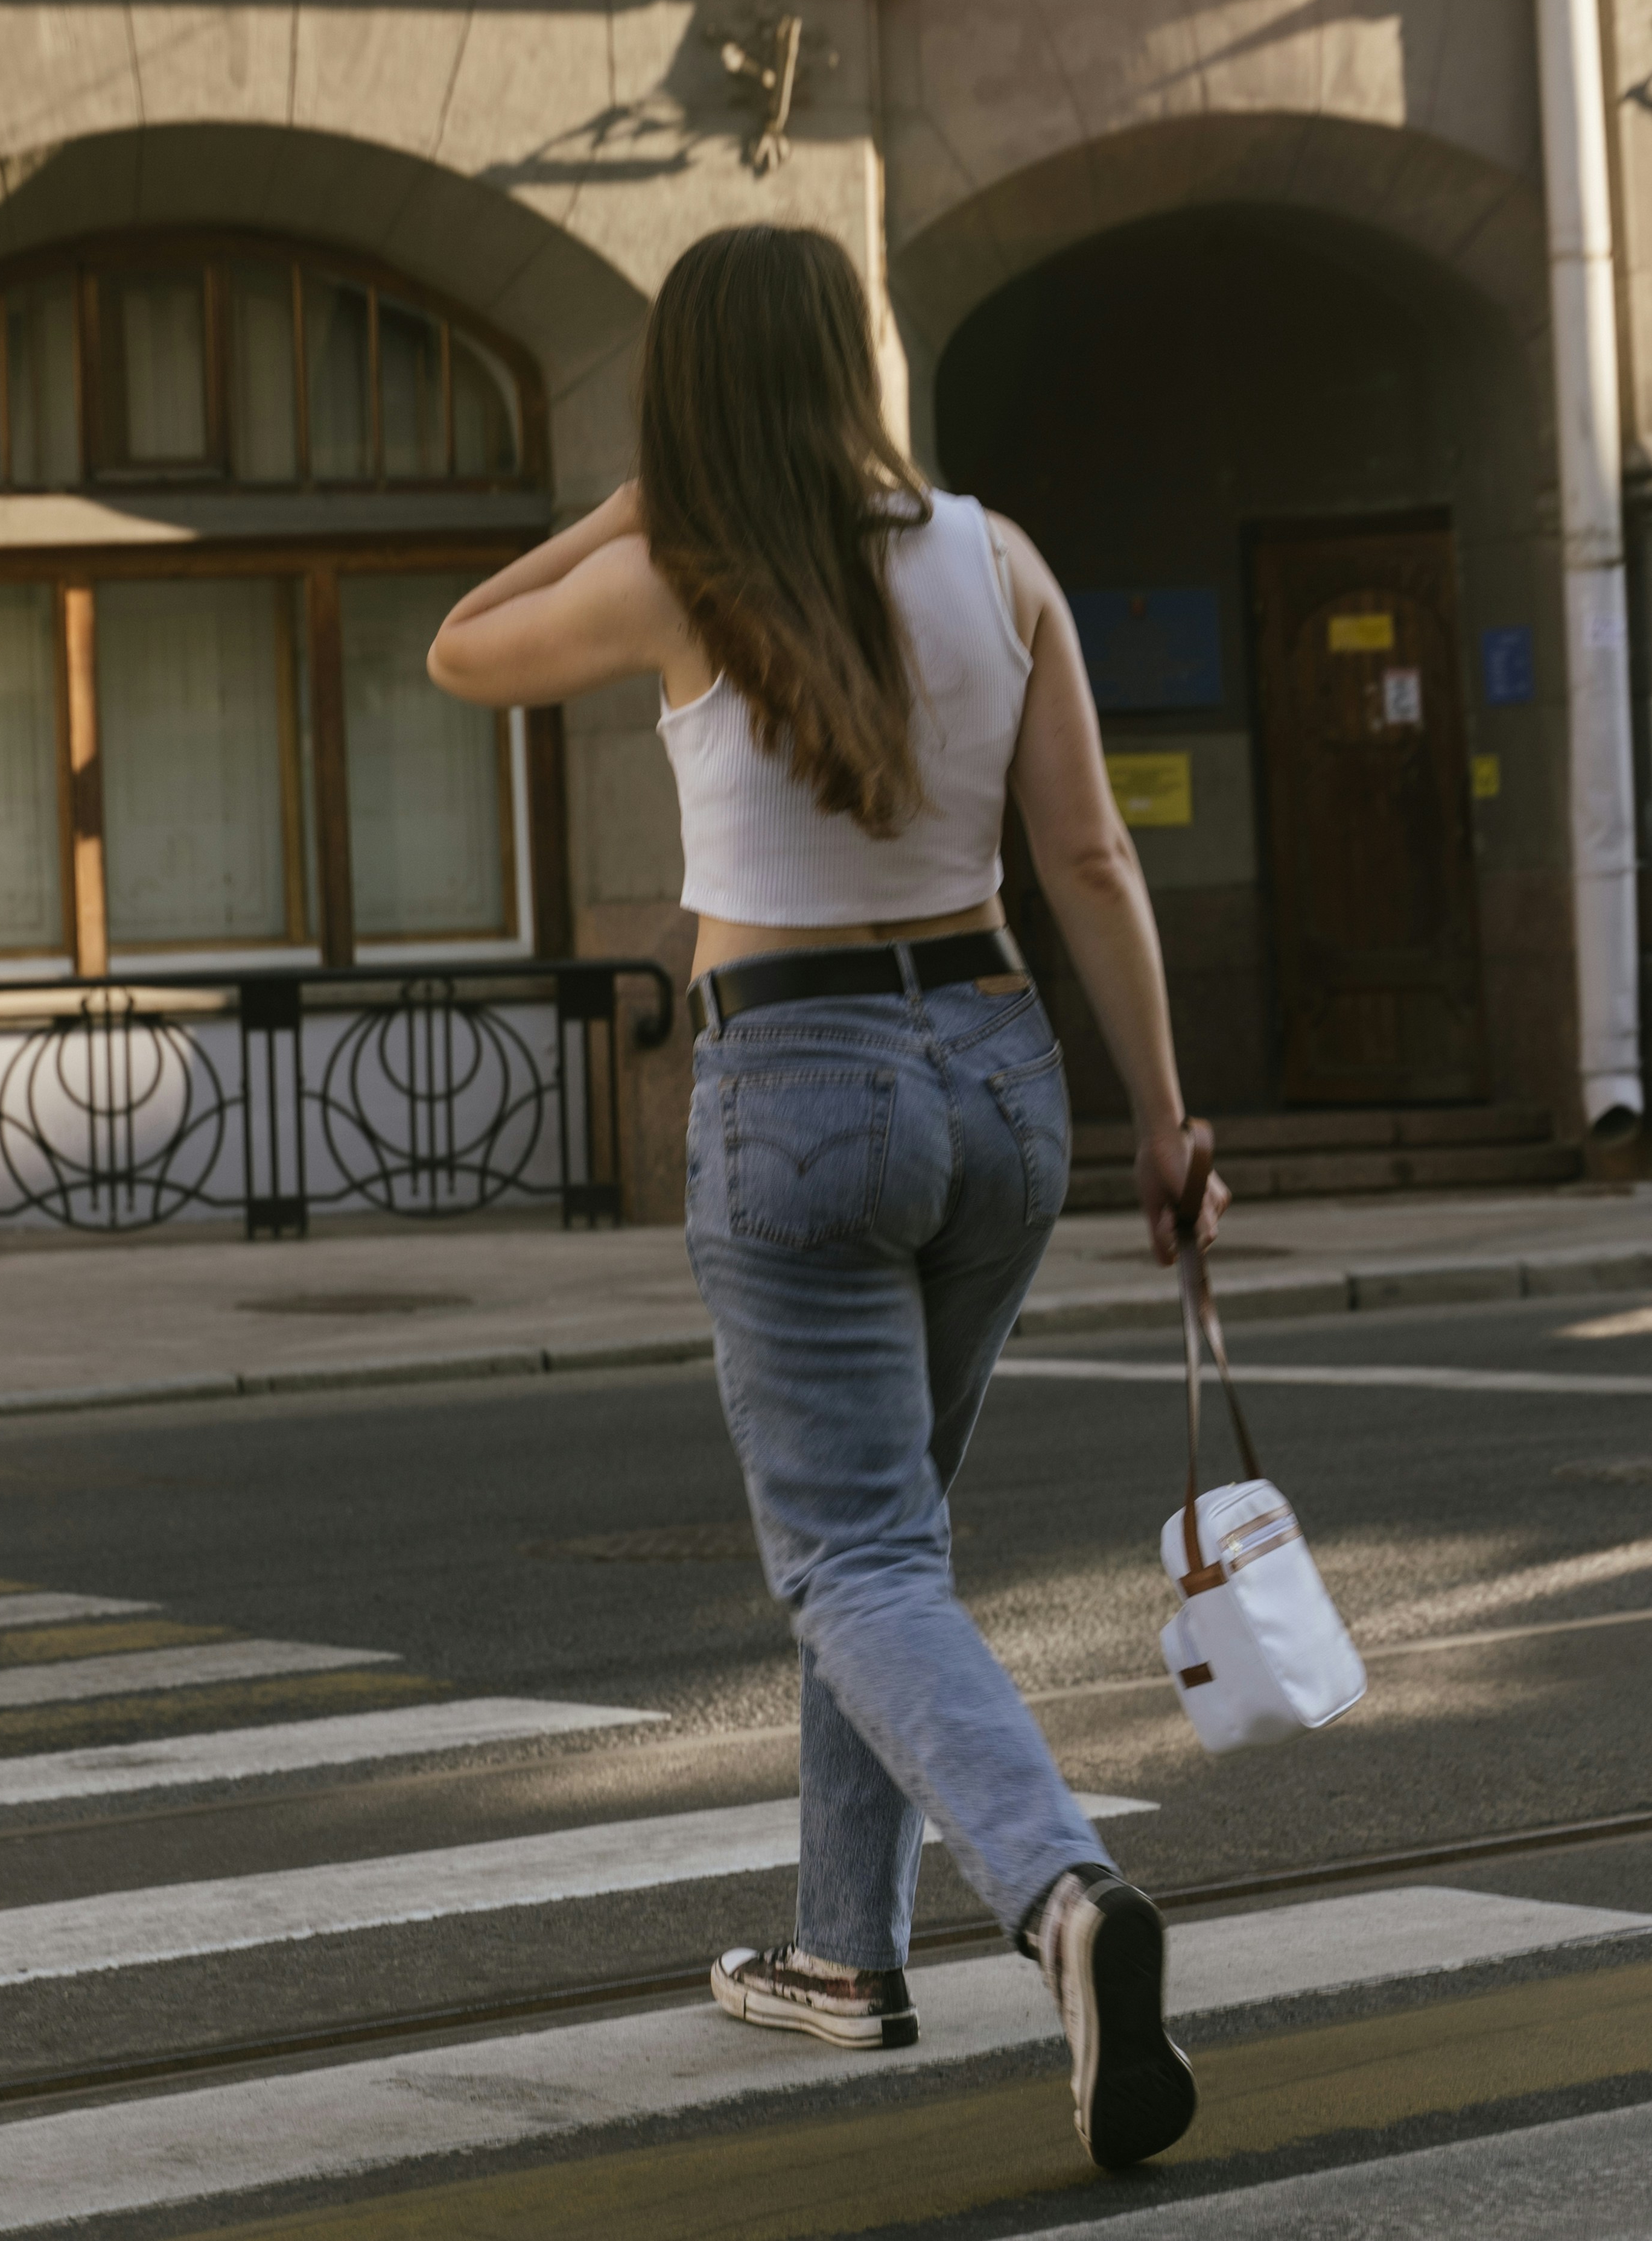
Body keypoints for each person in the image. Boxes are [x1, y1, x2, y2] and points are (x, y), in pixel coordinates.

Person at [427, 222, 1228, 2173]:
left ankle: (1060, 1897)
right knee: (888, 1533)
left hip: (795, 1079)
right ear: (854, 366)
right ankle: (838, 1953)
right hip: (998, 1065)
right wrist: (1166, 1117)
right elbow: (1093, 859)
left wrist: (614, 505)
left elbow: (457, 647)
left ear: (691, 387)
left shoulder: (672, 573)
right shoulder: (997, 554)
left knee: (855, 1554)